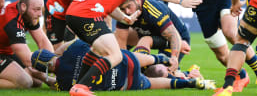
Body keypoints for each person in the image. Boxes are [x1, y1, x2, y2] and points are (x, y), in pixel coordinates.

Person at [65, 0, 203, 95]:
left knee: (97, 50)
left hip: (73, 12)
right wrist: (180, 1)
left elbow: (109, 5)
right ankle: (81, 87)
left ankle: (79, 84)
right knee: (115, 55)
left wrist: (124, 18)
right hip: (88, 14)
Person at [31, 39, 215, 92]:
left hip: (120, 84)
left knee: (158, 84)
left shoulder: (62, 84)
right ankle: (163, 59)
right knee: (125, 55)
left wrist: (42, 77)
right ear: (52, 55)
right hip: (124, 63)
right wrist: (62, 49)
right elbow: (89, 43)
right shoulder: (75, 48)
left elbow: (52, 83)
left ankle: (188, 83)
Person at [115, 0, 191, 64]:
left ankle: (190, 76)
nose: (127, 12)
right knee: (114, 41)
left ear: (137, 0)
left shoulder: (152, 9)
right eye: (122, 9)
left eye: (128, 6)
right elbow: (121, 42)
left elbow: (173, 35)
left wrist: (174, 57)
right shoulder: (124, 15)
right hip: (147, 33)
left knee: (159, 71)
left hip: (176, 37)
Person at [0, 0, 54, 88]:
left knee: (37, 82)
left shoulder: (27, 13)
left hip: (6, 52)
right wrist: (55, 67)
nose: (40, 14)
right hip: (2, 53)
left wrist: (52, 61)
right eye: (37, 9)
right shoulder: (12, 22)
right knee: (25, 82)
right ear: (24, 6)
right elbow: (27, 59)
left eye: (40, 9)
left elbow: (42, 41)